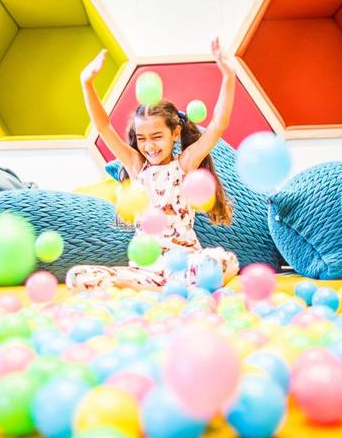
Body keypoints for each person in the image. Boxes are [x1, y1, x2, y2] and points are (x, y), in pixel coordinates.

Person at [66, 38, 240, 291]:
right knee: (78, 276)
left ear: (175, 133)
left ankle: (177, 285)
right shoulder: (138, 166)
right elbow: (103, 127)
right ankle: (162, 288)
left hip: (186, 263)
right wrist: (87, 82)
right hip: (145, 269)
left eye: (157, 137)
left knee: (223, 261)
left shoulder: (185, 165)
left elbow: (217, 126)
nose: (149, 146)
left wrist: (229, 76)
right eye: (143, 139)